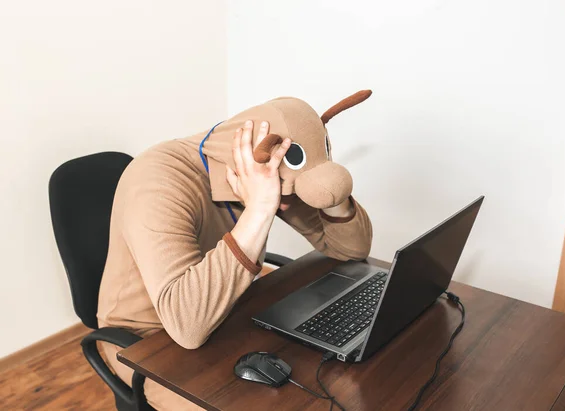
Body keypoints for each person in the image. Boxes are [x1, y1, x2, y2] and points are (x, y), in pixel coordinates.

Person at [97, 100, 372, 410]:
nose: (287, 201)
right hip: (147, 341)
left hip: (228, 313)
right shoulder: (157, 180)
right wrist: (260, 208)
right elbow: (187, 327)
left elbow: (351, 249)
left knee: (333, 380)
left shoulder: (266, 170)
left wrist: (331, 187)